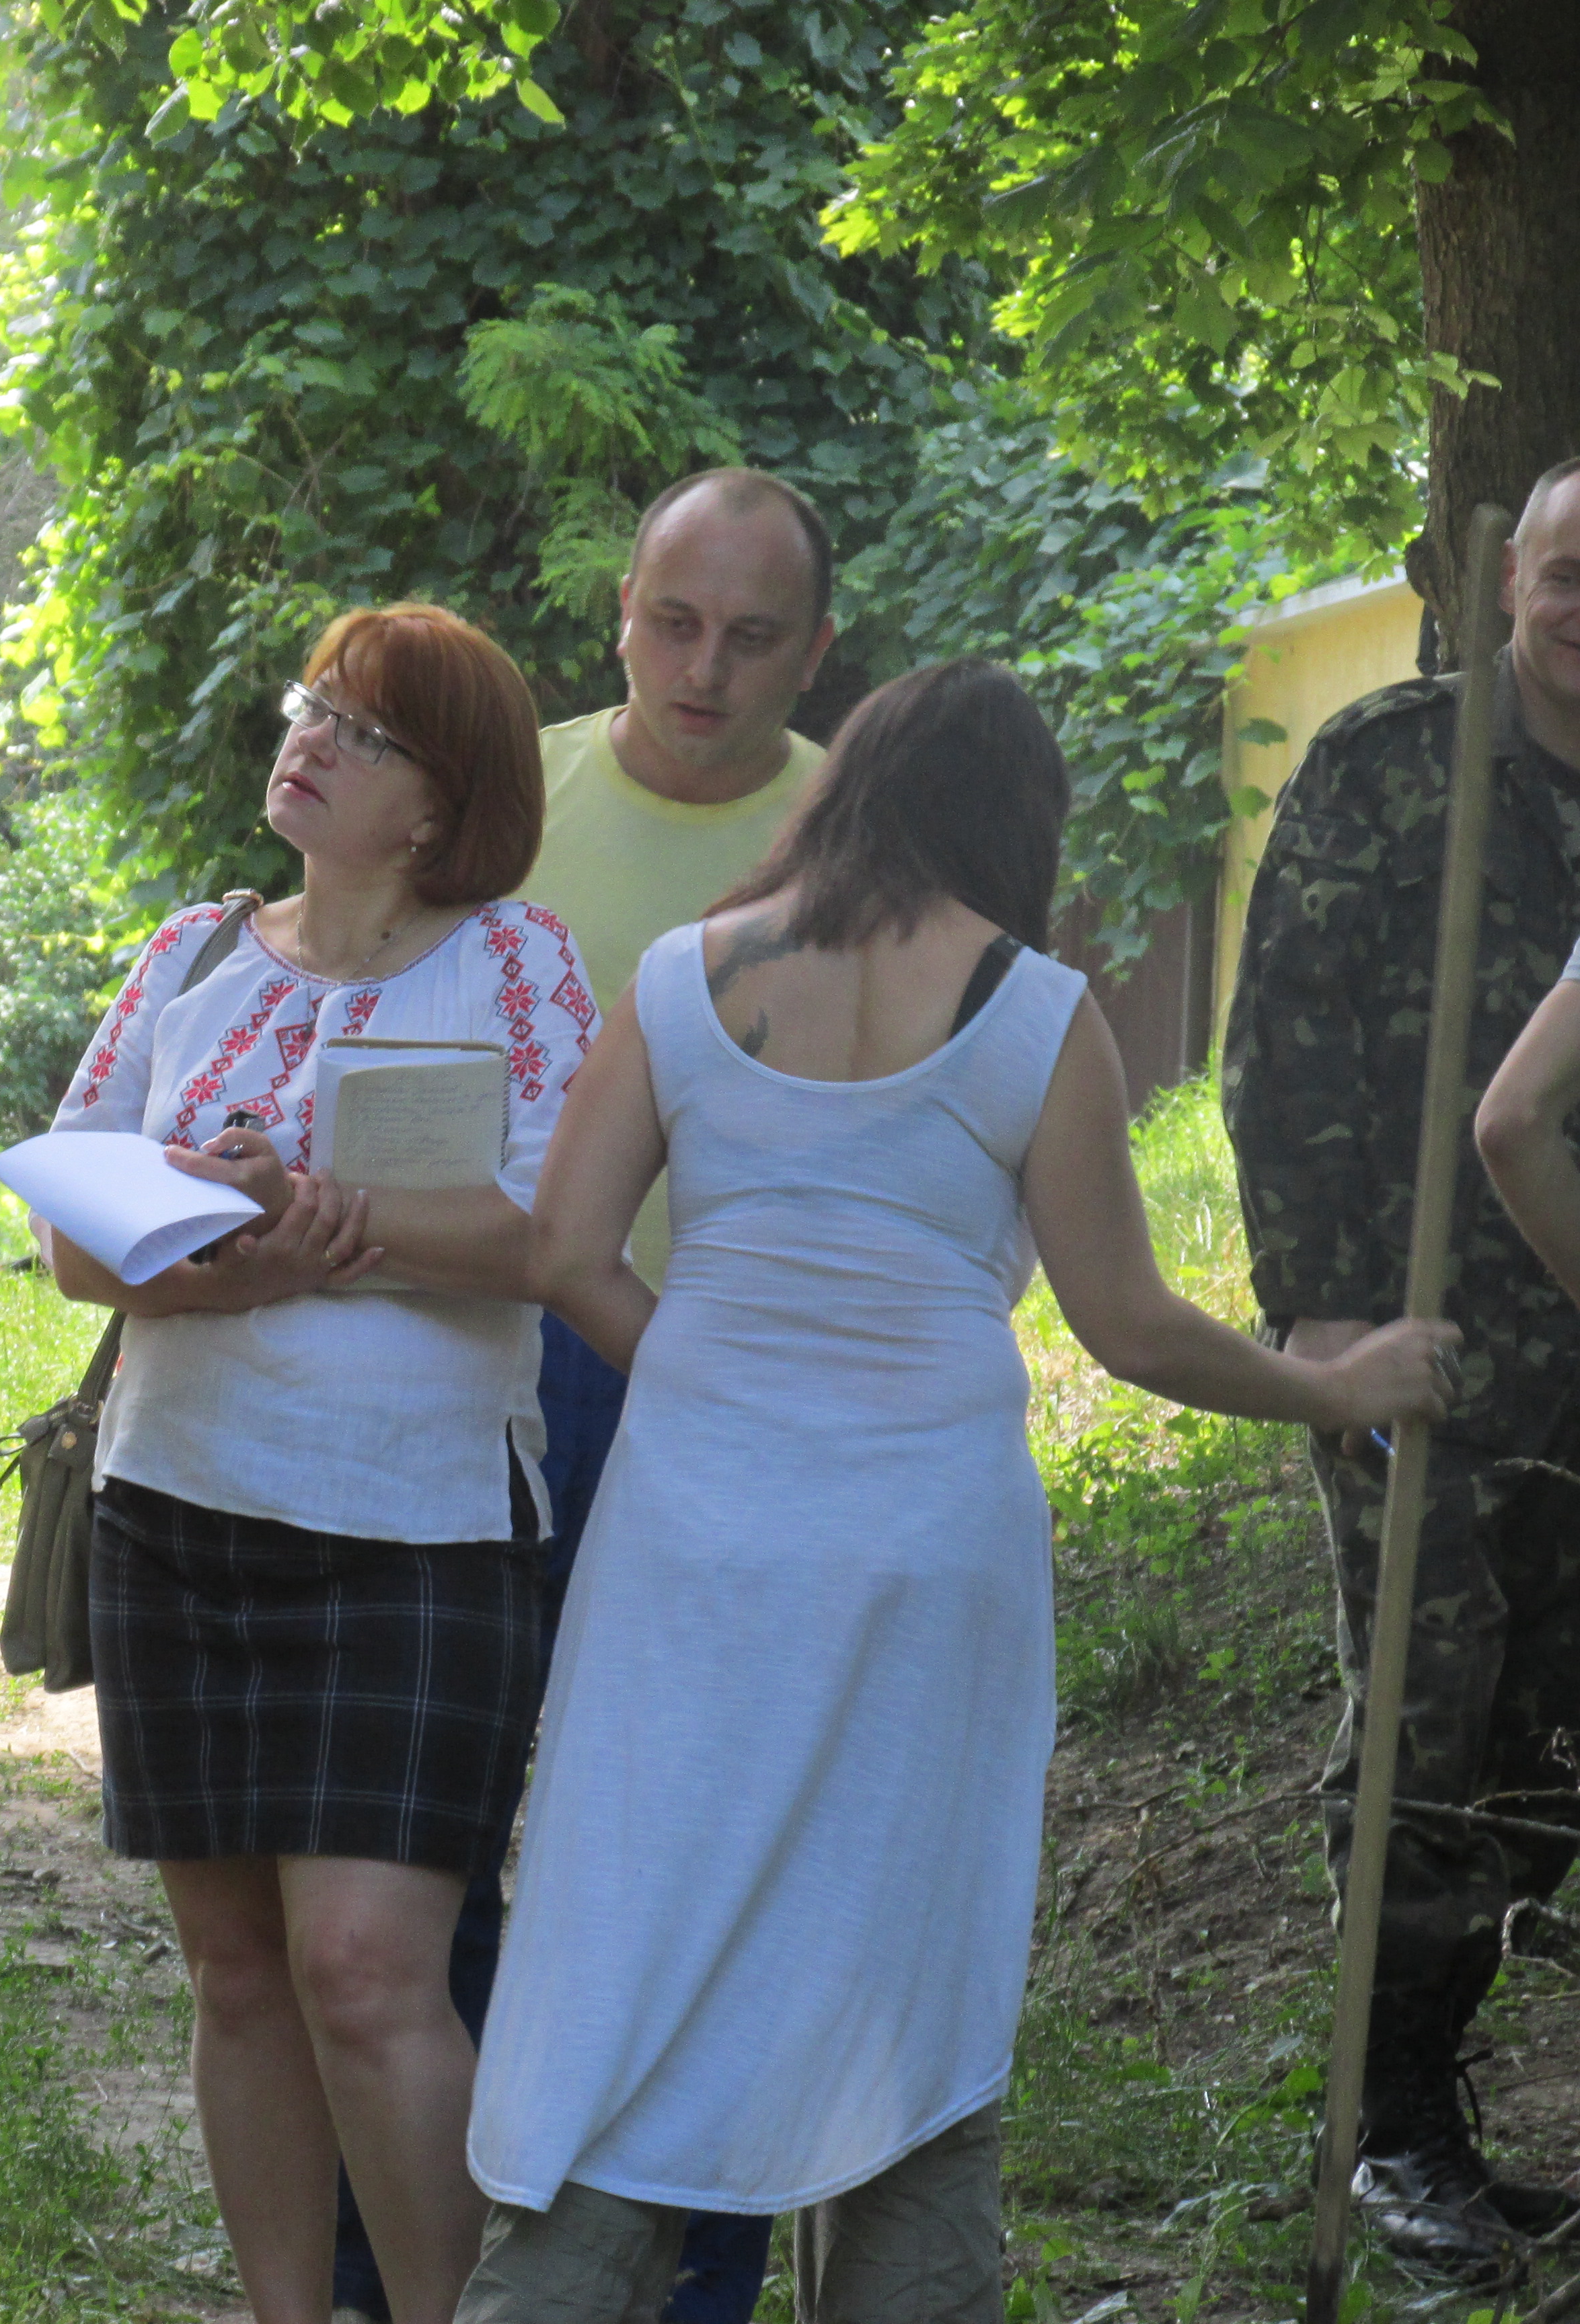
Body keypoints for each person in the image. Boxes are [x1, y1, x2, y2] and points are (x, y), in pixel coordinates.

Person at [456, 659, 1458, 2321]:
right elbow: (1126, 1322)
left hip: (696, 1540)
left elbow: (564, 1248)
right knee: (907, 1948)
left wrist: (708, 1370)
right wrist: (1336, 1385)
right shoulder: (1035, 1012)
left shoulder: (685, 978)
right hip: (927, 1544)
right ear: (1015, 822)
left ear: (848, 782)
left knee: (643, 1933)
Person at [44, 602, 593, 2324]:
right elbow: (71, 1225)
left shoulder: (516, 963)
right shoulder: (190, 951)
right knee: (237, 1973)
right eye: (312, 708)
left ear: (441, 805)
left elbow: (552, 1231)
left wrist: (323, 1217)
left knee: (364, 1974)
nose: (310, 742)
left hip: (414, 1529)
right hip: (173, 1508)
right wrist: (229, 1252)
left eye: (364, 733)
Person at [336, 466, 837, 2324]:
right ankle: (416, 2262)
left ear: (817, 651)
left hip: (745, 1388)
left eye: (752, 636)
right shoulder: (507, 806)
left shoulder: (862, 836)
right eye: (672, 622)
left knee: (702, 1841)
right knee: (438, 1832)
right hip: (499, 1362)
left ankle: (695, 2272)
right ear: (618, 612)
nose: (703, 670)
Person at [1226, 453, 1580, 2280]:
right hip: (1418, 1338)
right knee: (1426, 1731)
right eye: (1568, 572)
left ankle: (1433, 2089)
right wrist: (1316, 1315)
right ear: (1509, 581)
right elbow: (1280, 1034)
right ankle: (1388, 2132)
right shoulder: (1393, 764)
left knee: (1549, 1747)